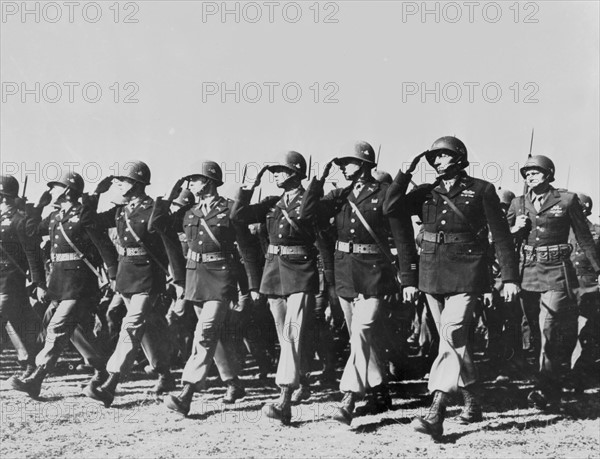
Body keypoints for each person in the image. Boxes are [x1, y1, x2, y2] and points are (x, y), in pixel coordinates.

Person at [385, 136, 520, 439]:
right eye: (433, 157)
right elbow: (390, 207)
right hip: (432, 275)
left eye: (443, 156)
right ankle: (472, 402)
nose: (436, 161)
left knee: (450, 335)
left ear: (458, 158)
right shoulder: (424, 192)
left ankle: (437, 409)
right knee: (455, 340)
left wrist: (510, 277)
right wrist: (405, 173)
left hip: (467, 274)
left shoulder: (482, 190)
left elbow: (501, 237)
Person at [303, 141, 418, 425]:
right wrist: (317, 180)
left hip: (375, 273)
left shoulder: (385, 194)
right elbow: (307, 214)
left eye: (348, 163)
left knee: (363, 331)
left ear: (366, 164)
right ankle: (379, 391)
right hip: (345, 273)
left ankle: (350, 397)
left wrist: (408, 279)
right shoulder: (338, 196)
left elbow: (403, 239)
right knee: (361, 336)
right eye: (341, 164)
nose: (343, 167)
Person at [154, 161, 255, 416]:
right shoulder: (190, 212)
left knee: (206, 332)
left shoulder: (229, 209)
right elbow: (158, 224)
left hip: (222, 277)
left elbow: (245, 248)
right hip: (196, 279)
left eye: (194, 180)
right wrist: (172, 192)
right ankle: (234, 383)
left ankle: (186, 392)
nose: (190, 185)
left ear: (208, 181)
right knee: (212, 335)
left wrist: (248, 287)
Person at [83, 161, 183, 407]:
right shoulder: (120, 211)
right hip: (126, 276)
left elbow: (170, 243)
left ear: (137, 184)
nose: (118, 184)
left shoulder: (153, 209)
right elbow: (89, 224)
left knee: (131, 324)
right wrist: (96, 194)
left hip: (149, 277)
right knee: (147, 328)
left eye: (123, 180)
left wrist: (178, 279)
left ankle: (111, 383)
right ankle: (164, 374)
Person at [10, 172, 118, 398]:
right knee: (77, 332)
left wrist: (113, 274)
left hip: (80, 284)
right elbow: (29, 232)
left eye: (55, 187)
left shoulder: (84, 214)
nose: (51, 191)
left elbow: (104, 245)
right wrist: (38, 207)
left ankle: (36, 378)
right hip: (59, 283)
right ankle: (103, 369)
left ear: (68, 190)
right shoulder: (54, 216)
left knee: (57, 327)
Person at [231, 151, 318, 424]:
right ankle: (300, 378)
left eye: (280, 171)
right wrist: (248, 187)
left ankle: (284, 398)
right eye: (274, 171)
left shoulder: (311, 201)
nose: (275, 175)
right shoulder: (272, 203)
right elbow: (237, 216)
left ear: (295, 173)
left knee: (291, 333)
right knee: (285, 336)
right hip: (274, 274)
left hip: (300, 273)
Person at [508, 156, 600, 410]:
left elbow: (584, 237)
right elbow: (500, 238)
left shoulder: (567, 200)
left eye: (536, 172)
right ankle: (551, 384)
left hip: (556, 272)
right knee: (535, 331)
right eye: (527, 173)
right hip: (527, 272)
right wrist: (515, 228)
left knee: (548, 327)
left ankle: (544, 386)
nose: (530, 176)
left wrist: (598, 269)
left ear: (548, 174)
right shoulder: (518, 203)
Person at [1, 175, 45, 384]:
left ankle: (30, 362)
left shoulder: (19, 220)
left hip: (12, 278)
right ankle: (29, 362)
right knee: (16, 321)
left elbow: (31, 252)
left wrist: (36, 280)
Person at [569, 193, 600, 389]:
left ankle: (578, 371)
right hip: (566, 283)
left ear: (587, 208)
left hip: (589, 284)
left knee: (585, 328)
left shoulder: (597, 231)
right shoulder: (563, 230)